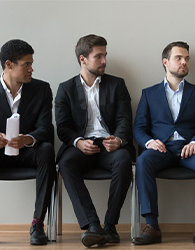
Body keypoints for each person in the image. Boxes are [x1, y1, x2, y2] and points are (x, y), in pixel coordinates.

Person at [132, 41, 195, 246]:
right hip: (161, 150)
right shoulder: (149, 93)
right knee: (143, 162)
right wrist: (149, 142)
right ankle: (152, 226)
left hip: (191, 149)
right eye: (179, 58)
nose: (184, 62)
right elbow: (138, 128)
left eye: (187, 59)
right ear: (165, 62)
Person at [0, 39, 56, 246]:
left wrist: (29, 138)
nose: (31, 69)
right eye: (26, 64)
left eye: (31, 63)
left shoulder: (42, 89)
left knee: (46, 149)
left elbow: (46, 129)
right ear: (9, 64)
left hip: (27, 153)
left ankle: (37, 224)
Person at [55, 34, 135, 248]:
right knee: (66, 163)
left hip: (110, 145)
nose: (104, 61)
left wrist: (118, 139)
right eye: (98, 56)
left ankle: (109, 226)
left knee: (124, 159)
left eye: (105, 56)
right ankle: (92, 225)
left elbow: (124, 119)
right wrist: (78, 141)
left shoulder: (117, 85)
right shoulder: (65, 89)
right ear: (83, 59)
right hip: (81, 146)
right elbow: (62, 127)